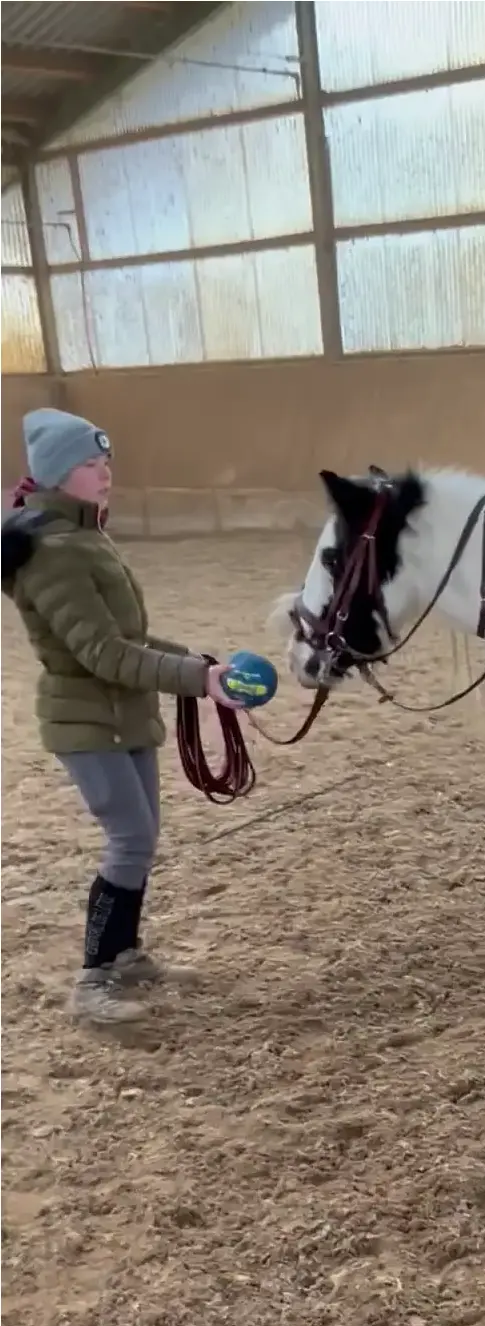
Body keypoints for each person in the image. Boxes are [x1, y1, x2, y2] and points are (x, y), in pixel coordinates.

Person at [2, 408, 242, 1025]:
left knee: (141, 838)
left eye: (105, 461)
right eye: (89, 464)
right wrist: (196, 680)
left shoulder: (86, 536)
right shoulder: (54, 552)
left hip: (123, 715)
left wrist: (196, 665)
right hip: (87, 722)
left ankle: (125, 954)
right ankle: (93, 980)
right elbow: (102, 653)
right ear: (57, 474)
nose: (105, 472)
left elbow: (127, 638)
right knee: (129, 839)